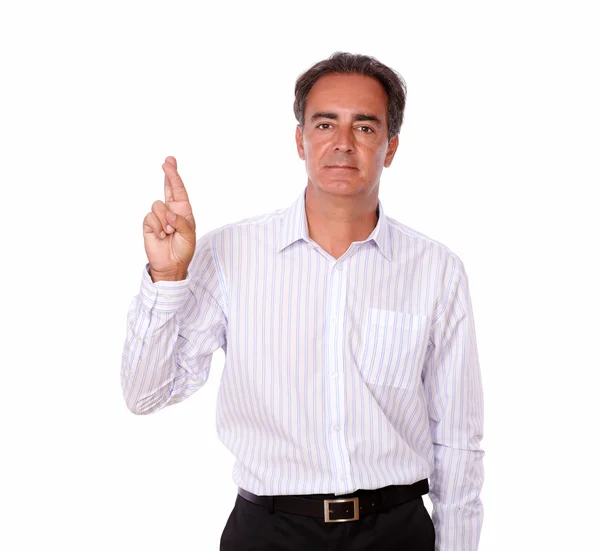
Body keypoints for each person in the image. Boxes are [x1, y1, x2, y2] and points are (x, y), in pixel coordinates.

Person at [121, 52, 485, 551]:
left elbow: (458, 443)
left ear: (391, 147)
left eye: (364, 127)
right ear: (300, 139)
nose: (341, 143)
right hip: (269, 533)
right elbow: (144, 395)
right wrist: (166, 278)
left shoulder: (436, 271)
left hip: (396, 532)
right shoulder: (230, 256)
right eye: (324, 123)